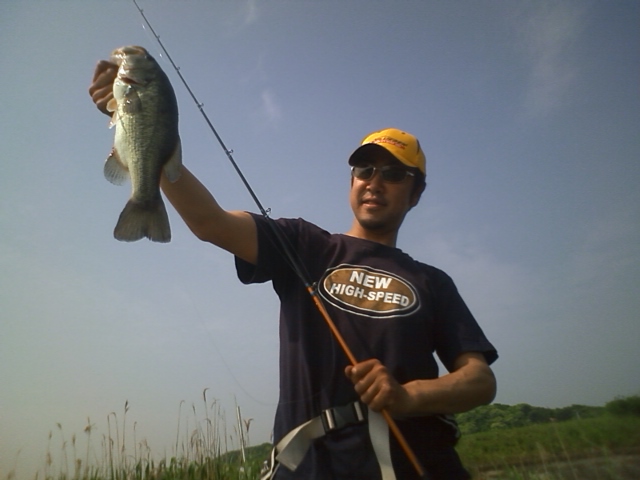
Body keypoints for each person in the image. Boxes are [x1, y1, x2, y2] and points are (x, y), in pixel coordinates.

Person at [89, 59, 498, 480]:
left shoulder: (433, 282)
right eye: (365, 170)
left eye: (394, 174)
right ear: (352, 181)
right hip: (312, 468)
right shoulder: (305, 244)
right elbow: (210, 222)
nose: (375, 182)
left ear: (415, 194)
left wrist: (409, 397)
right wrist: (140, 121)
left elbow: (480, 380)